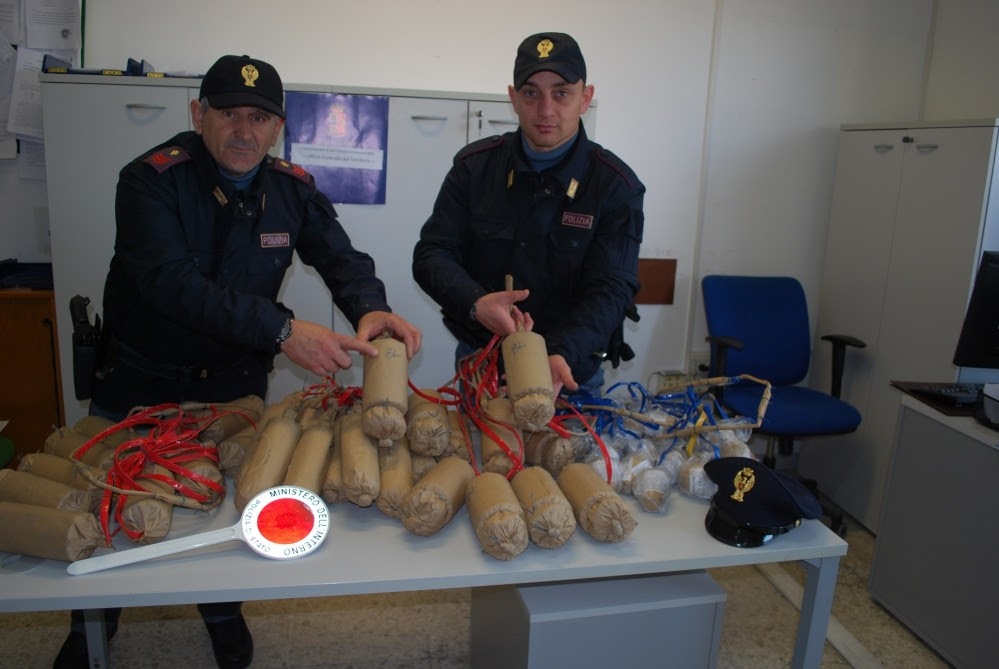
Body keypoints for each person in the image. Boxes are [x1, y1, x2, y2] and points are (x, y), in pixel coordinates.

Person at [55, 54, 421, 669]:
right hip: (139, 380)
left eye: (260, 117)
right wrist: (282, 330)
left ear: (278, 127)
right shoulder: (149, 180)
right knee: (109, 500)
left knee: (228, 503)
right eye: (228, 114)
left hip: (231, 387)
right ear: (199, 115)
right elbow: (172, 284)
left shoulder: (291, 187)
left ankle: (222, 611)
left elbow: (341, 258)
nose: (244, 130)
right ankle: (91, 621)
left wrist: (373, 306)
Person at [412, 32, 645, 397]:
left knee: (575, 457)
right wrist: (475, 302)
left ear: (585, 98)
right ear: (513, 99)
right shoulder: (474, 169)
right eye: (531, 92)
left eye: (562, 92)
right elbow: (431, 255)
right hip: (484, 367)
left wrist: (560, 352)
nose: (546, 109)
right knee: (469, 455)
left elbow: (612, 288)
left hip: (569, 375)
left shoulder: (614, 186)